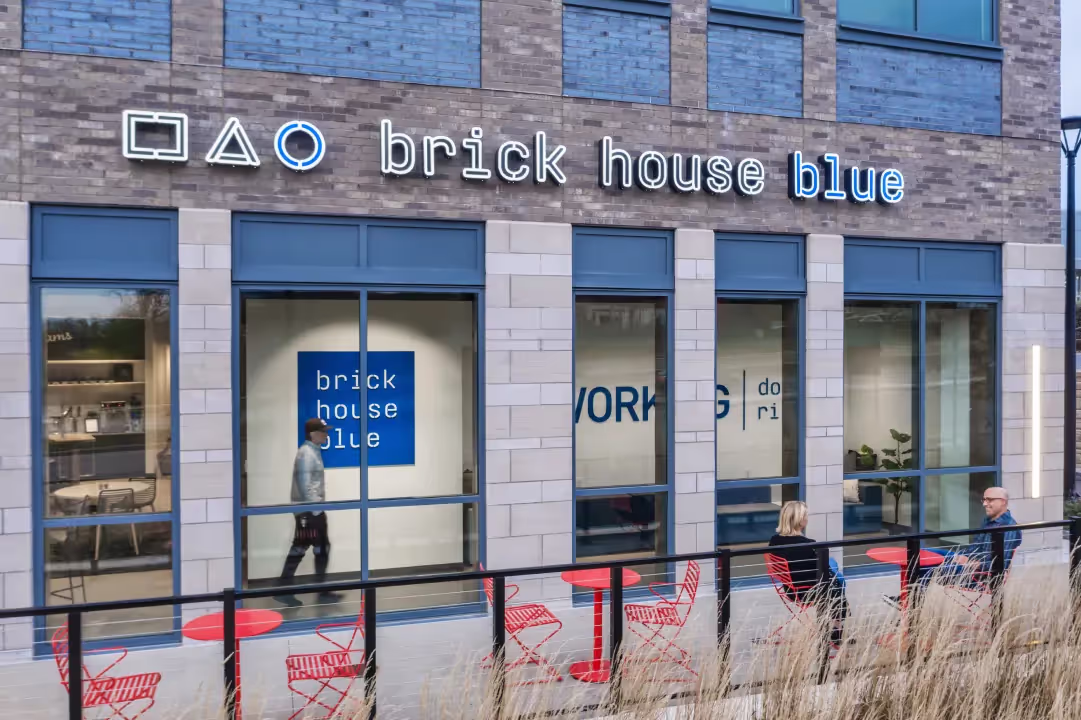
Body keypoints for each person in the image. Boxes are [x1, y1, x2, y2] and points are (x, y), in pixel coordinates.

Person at [882, 486, 1022, 610]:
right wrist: (961, 556)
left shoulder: (1008, 528)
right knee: (927, 554)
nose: (985, 504)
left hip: (979, 576)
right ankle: (908, 599)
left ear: (1003, 502)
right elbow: (975, 547)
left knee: (930, 566)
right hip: (968, 563)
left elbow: (999, 565)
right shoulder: (989, 521)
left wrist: (972, 563)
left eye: (990, 500)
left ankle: (909, 602)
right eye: (984, 499)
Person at [275, 418, 343, 608]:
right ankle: (314, 592)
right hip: (309, 511)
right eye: (323, 431)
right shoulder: (306, 454)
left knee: (305, 547)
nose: (326, 435)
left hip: (309, 510)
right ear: (313, 434)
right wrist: (316, 512)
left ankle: (285, 589)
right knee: (317, 548)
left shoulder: (313, 452)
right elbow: (306, 487)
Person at [768, 501, 850, 646]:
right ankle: (837, 629)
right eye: (805, 515)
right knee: (837, 580)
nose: (807, 518)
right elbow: (821, 572)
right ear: (800, 520)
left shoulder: (774, 541)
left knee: (834, 573)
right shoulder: (807, 545)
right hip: (807, 593)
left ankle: (836, 626)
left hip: (789, 589)